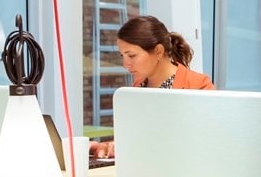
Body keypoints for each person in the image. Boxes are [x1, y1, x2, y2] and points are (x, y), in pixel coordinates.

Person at [91, 15, 214, 158]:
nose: (125, 64)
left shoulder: (199, 86)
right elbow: (136, 139)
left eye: (131, 56)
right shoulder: (137, 88)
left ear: (158, 51)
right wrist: (110, 146)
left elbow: (207, 144)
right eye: (122, 56)